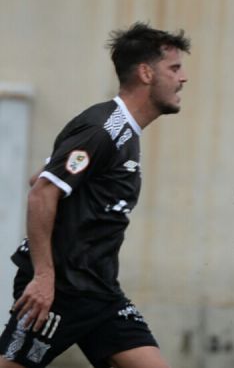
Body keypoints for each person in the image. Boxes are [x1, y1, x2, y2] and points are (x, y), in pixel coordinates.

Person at [0, 23, 190, 368]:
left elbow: (44, 176)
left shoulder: (122, 132)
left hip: (101, 292)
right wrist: (44, 277)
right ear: (146, 73)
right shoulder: (105, 129)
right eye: (174, 68)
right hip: (62, 291)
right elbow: (41, 193)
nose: (183, 78)